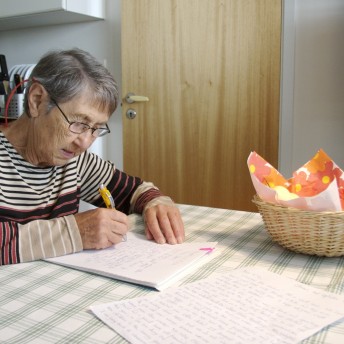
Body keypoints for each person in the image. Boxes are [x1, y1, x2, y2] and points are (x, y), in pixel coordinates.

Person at [0, 48, 185, 265]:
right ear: (37, 100)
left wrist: (156, 202)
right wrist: (73, 233)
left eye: (96, 128)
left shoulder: (74, 159)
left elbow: (134, 190)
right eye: (78, 123)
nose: (85, 142)